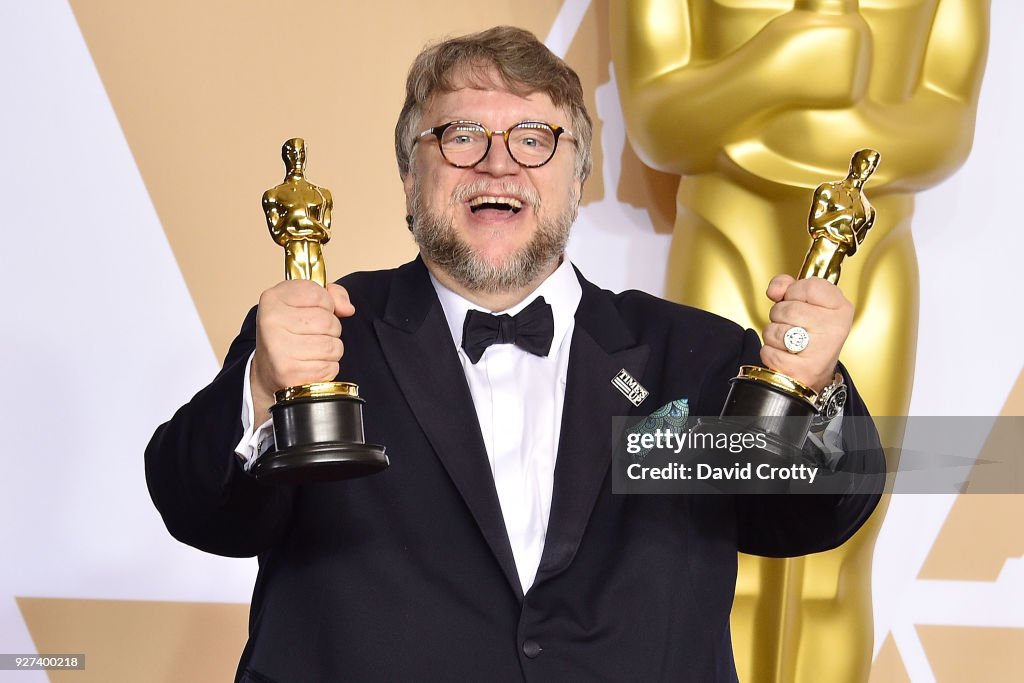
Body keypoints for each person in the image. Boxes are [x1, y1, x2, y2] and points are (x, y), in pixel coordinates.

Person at [146, 26, 883, 682]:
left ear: (578, 179)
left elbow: (815, 519)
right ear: (410, 177)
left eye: (534, 138)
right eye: (460, 136)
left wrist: (815, 388)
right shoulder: (322, 335)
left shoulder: (695, 356)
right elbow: (196, 507)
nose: (497, 164)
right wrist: (264, 386)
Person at [262, 137, 333, 287]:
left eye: (301, 152)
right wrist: (311, 224)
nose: (297, 157)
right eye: (292, 153)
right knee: (297, 293)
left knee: (320, 296)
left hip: (315, 253)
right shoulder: (274, 195)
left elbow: (326, 234)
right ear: (285, 157)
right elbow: (278, 233)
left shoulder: (322, 194)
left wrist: (298, 221)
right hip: (294, 251)